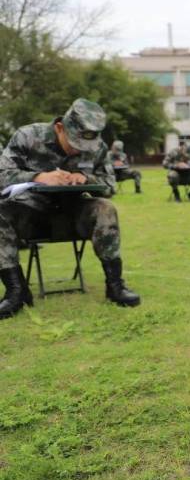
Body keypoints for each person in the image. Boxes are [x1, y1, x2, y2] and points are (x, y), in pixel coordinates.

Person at [0, 98, 140, 318]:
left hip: (74, 216)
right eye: (75, 144)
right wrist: (39, 176)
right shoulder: (27, 136)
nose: (79, 151)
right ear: (59, 128)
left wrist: (85, 178)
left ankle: (115, 286)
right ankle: (16, 291)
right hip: (31, 215)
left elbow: (111, 184)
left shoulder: (99, 147)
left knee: (105, 208)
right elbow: (2, 175)